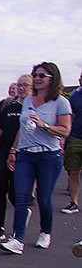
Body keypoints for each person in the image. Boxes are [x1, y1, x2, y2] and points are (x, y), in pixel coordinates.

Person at [0, 62, 73, 254]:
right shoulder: (28, 101)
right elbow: (23, 129)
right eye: (35, 75)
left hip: (48, 156)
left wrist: (44, 126)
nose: (37, 78)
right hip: (25, 155)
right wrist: (14, 151)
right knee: (21, 197)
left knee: (44, 198)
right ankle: (17, 239)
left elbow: (65, 130)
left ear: (52, 78)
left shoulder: (60, 102)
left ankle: (45, 231)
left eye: (42, 75)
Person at [0, 75, 32, 242]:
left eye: (25, 85)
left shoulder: (32, 109)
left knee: (15, 192)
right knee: (0, 191)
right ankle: (0, 228)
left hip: (22, 154)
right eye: (19, 85)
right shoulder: (8, 108)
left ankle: (22, 216)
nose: (21, 88)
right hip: (4, 152)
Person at [60, 70, 82, 215]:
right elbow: (69, 117)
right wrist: (64, 138)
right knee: (73, 171)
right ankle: (73, 202)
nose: (80, 79)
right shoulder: (75, 96)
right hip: (75, 137)